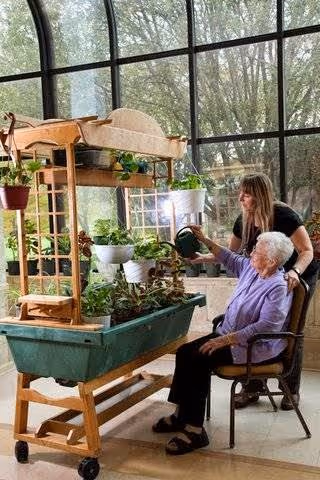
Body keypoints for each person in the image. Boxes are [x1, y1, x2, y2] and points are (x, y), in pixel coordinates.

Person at [152, 230, 294, 455]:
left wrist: (225, 340)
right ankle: (181, 415)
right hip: (228, 335)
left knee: (199, 359)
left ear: (272, 261)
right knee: (184, 351)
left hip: (251, 347)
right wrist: (204, 239)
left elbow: (267, 326)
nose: (251, 253)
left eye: (257, 251)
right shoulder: (251, 268)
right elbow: (228, 257)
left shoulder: (278, 286)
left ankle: (194, 430)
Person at [191, 172, 318, 410]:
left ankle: (290, 390)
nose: (240, 197)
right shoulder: (244, 220)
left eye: (246, 194)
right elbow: (231, 257)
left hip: (294, 275)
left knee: (290, 330)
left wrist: (295, 273)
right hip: (264, 274)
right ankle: (252, 387)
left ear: (259, 196)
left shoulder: (284, 215)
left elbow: (307, 251)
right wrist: (201, 258)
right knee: (251, 322)